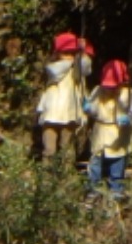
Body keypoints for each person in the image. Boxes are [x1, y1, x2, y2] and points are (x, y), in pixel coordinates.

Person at [84, 60, 132, 201]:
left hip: (119, 134)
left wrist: (128, 118)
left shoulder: (129, 94)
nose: (109, 89)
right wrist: (89, 108)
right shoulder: (98, 91)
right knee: (95, 163)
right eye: (107, 86)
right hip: (101, 131)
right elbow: (94, 110)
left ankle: (116, 192)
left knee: (117, 165)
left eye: (113, 86)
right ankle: (93, 191)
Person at [35, 33, 92, 163]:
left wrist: (83, 53)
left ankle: (66, 177)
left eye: (72, 53)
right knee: (49, 149)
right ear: (58, 54)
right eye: (66, 53)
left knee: (67, 149)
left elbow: (86, 68)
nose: (70, 56)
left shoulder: (77, 69)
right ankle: (47, 178)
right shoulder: (53, 67)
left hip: (70, 114)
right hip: (51, 114)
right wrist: (71, 61)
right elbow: (56, 72)